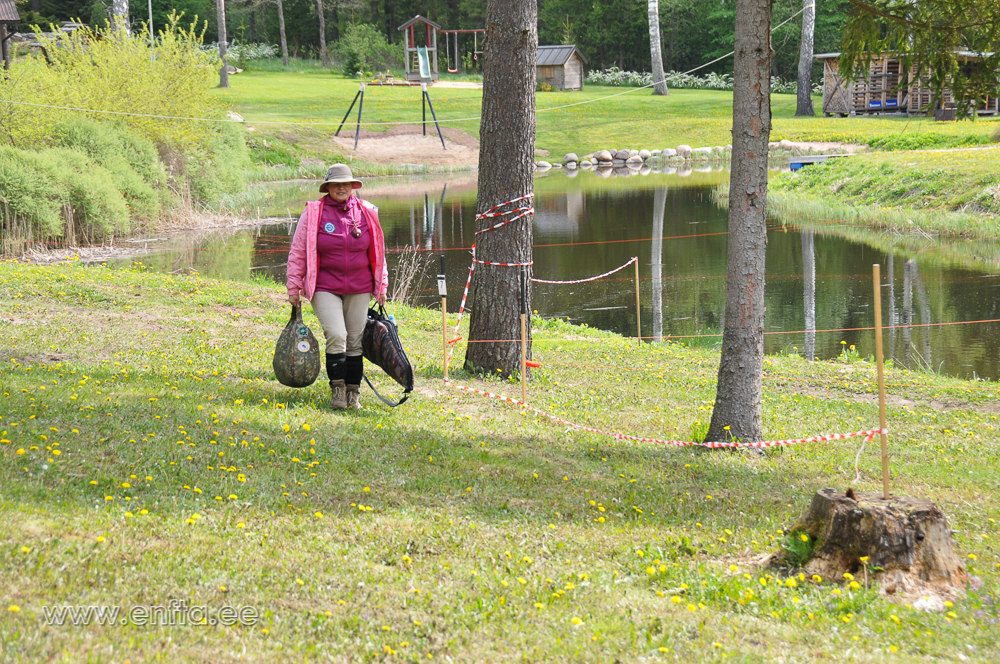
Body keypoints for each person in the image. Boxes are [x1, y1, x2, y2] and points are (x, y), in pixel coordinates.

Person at [286, 164, 388, 410]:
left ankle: (354, 393)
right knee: (337, 335)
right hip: (324, 286)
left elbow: (378, 251)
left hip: (360, 286)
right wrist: (293, 285)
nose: (342, 188)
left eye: (346, 183)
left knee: (354, 340)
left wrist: (381, 284)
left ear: (353, 186)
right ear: (328, 187)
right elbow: (298, 251)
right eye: (336, 184)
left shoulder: (366, 212)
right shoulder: (313, 213)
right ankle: (338, 390)